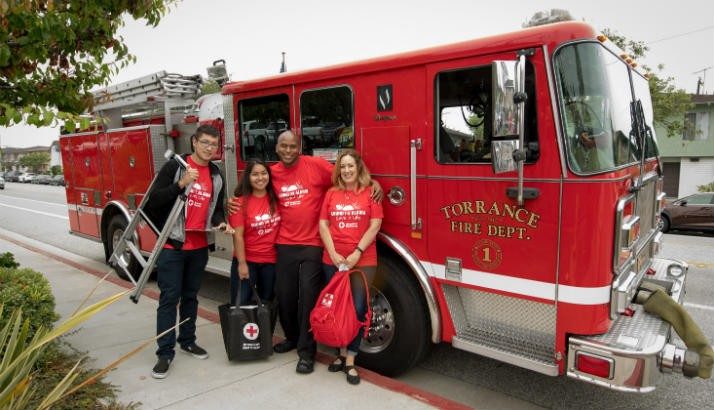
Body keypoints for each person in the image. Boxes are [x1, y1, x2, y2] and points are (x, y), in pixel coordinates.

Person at [228, 129, 381, 375]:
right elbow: (251, 189)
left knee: (309, 297)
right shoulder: (272, 173)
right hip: (285, 244)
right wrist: (231, 201)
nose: (288, 150)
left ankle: (306, 352)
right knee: (285, 296)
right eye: (283, 146)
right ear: (276, 148)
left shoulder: (316, 165)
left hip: (313, 245)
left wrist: (373, 182)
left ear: (299, 148)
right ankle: (290, 337)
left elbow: (347, 174)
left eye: (293, 146)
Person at [145, 124, 227, 379]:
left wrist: (220, 222)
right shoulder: (176, 167)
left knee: (191, 297)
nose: (209, 148)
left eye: (213, 145)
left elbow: (215, 210)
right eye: (205, 143)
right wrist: (181, 183)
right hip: (173, 245)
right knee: (170, 298)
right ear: (194, 142)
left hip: (199, 247)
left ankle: (187, 340)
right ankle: (165, 353)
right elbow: (153, 201)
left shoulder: (216, 174)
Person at [319, 150, 383, 385]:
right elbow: (323, 225)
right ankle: (341, 353)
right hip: (332, 260)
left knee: (357, 309)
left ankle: (351, 360)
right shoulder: (331, 193)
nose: (346, 171)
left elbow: (375, 225)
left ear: (358, 169)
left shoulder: (370, 193)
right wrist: (334, 253)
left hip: (363, 261)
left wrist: (357, 252)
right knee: (337, 309)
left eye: (350, 167)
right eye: (342, 167)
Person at [227, 159, 281, 306]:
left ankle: (265, 330)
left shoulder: (276, 199)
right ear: (248, 177)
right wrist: (242, 264)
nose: (260, 178)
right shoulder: (238, 203)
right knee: (241, 304)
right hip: (248, 261)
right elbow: (237, 236)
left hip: (271, 262)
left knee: (267, 303)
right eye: (255, 174)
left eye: (264, 173)